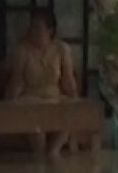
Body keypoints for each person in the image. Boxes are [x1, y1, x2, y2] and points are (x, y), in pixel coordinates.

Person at [5, 9, 79, 156]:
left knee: (70, 112)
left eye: (38, 28)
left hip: (54, 98)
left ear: (50, 30)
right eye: (32, 27)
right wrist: (8, 103)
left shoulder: (62, 49)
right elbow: (17, 81)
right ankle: (39, 156)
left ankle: (54, 152)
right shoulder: (23, 50)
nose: (33, 31)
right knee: (34, 121)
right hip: (30, 99)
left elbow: (68, 80)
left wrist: (76, 101)